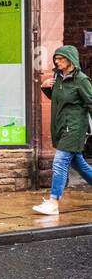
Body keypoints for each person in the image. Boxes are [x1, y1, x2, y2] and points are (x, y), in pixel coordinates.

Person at [34, 45, 92, 216]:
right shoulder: (58, 78)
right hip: (60, 127)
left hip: (74, 128)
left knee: (59, 162)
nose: (57, 62)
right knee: (79, 165)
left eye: (60, 59)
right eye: (56, 59)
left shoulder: (81, 80)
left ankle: (53, 202)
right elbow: (59, 99)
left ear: (70, 60)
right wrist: (45, 87)